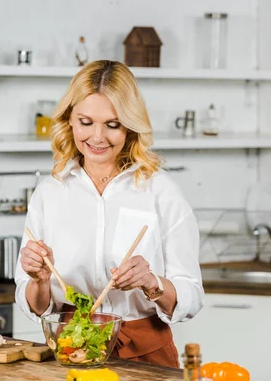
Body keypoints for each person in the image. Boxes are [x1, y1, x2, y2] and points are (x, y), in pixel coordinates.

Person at [14, 60, 204, 368]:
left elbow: (192, 297)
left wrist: (151, 282)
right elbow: (36, 306)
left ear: (130, 127)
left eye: (112, 125)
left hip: (147, 359)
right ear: (70, 120)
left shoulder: (161, 191)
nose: (98, 137)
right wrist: (38, 280)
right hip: (71, 352)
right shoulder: (49, 193)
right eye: (86, 122)